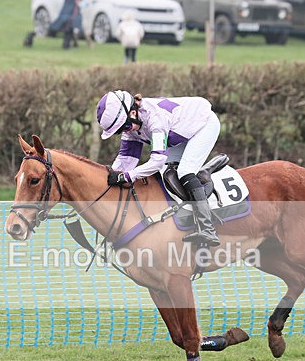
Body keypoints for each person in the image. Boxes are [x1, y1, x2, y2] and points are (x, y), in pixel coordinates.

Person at [95, 90, 221, 247]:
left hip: (203, 125)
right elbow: (126, 161)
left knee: (184, 172)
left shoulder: (155, 118)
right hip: (178, 135)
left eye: (125, 126)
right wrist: (105, 179)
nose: (126, 131)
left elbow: (157, 161)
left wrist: (129, 176)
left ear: (133, 112)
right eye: (120, 131)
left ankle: (207, 228)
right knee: (167, 175)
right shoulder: (132, 125)